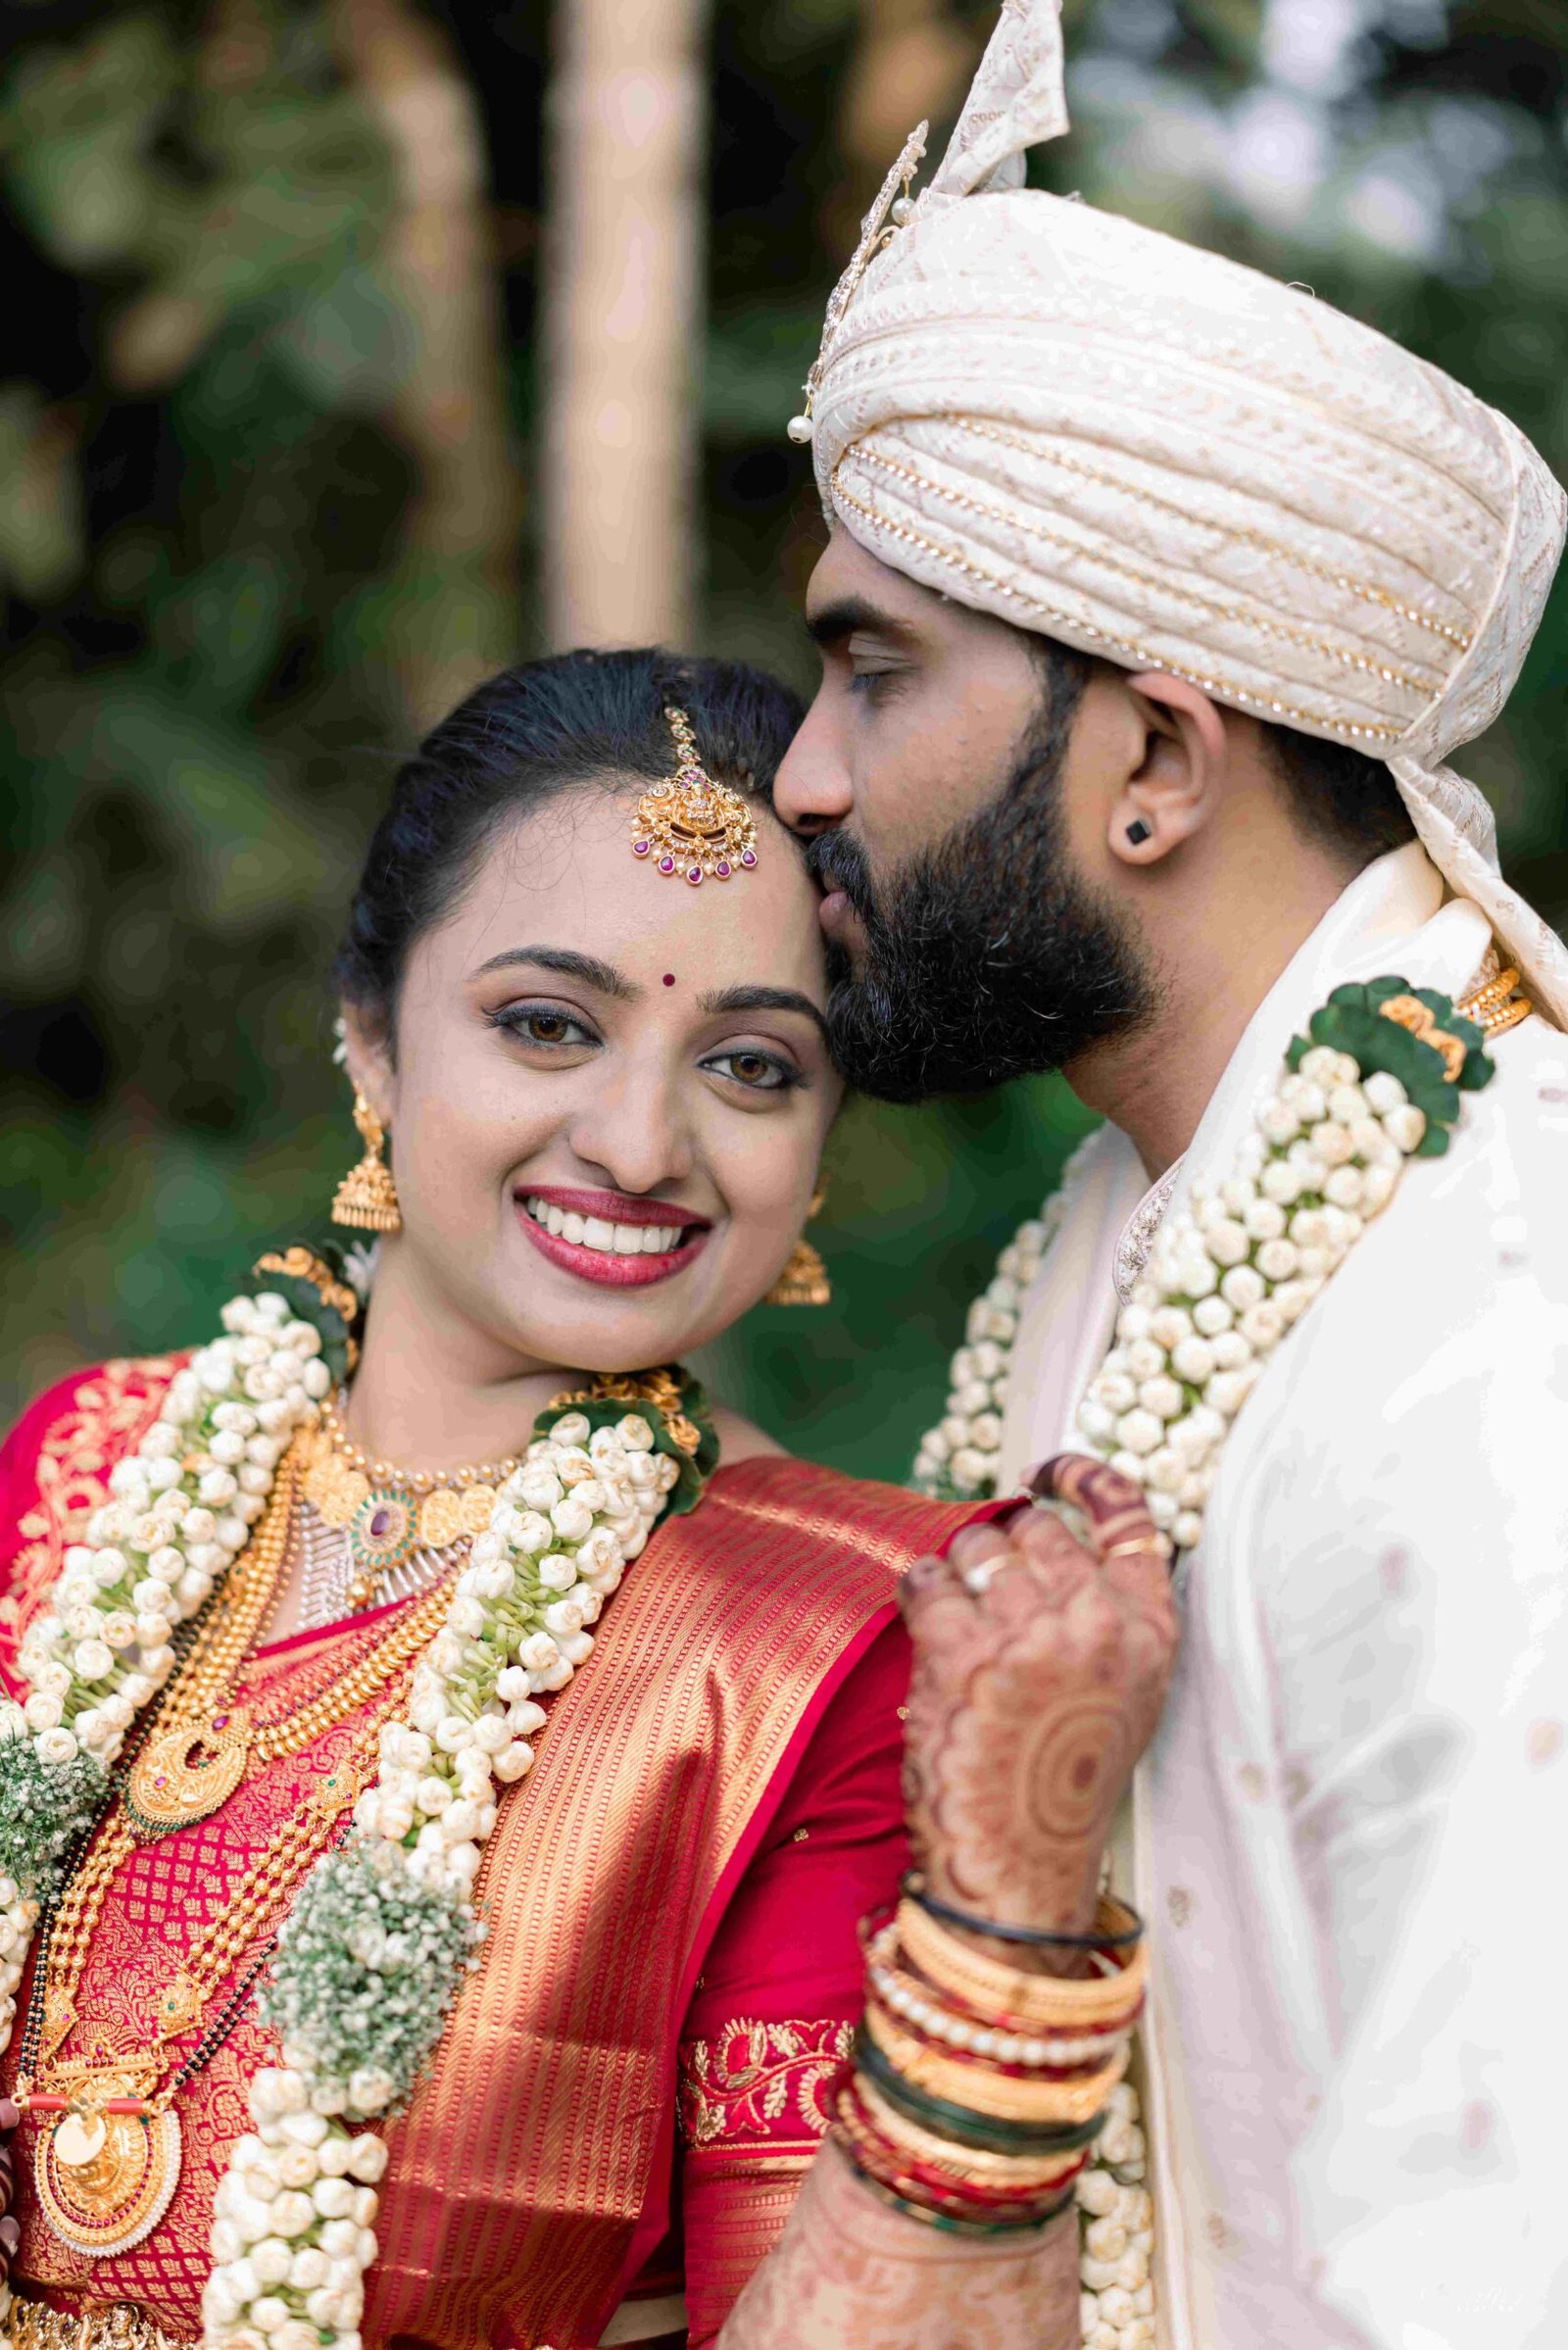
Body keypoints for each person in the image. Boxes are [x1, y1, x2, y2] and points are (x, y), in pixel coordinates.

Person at [0, 646, 1173, 2350]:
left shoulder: (825, 1646)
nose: (636, 1142)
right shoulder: (85, 1472)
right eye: (548, 1024)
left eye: (752, 1064)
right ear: (372, 1040)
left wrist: (1011, 1906)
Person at [772, 3, 1568, 2345]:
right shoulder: (1131, 1218)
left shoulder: (1493, 1304)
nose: (799, 775)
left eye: (869, 671)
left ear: (1149, 763)